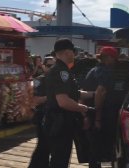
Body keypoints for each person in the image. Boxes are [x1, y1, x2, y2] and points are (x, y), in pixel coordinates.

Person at [44, 38, 95, 168]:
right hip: (60, 121)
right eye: (73, 52)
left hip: (60, 121)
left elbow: (74, 93)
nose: (74, 55)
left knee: (60, 158)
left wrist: (93, 94)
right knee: (60, 159)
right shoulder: (61, 72)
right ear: (67, 52)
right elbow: (63, 101)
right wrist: (85, 109)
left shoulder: (62, 70)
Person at [82, 46, 120, 168]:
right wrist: (98, 118)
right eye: (114, 58)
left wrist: (85, 115)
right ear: (108, 58)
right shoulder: (106, 71)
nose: (115, 61)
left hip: (90, 113)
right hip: (102, 116)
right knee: (102, 149)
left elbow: (82, 92)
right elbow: (100, 92)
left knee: (93, 150)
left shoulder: (93, 70)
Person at [28, 56, 55, 168]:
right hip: (42, 116)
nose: (52, 68)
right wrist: (50, 97)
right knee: (43, 145)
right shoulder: (39, 80)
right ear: (43, 66)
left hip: (54, 117)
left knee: (50, 146)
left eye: (54, 65)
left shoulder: (57, 80)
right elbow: (34, 100)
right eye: (49, 65)